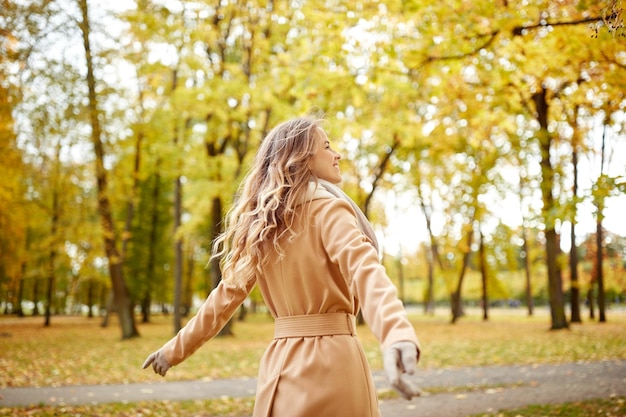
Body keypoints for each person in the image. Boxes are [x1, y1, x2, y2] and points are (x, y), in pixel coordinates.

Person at [143, 115, 421, 417]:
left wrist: (173, 351)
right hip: (333, 366)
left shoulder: (264, 226)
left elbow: (223, 298)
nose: (336, 154)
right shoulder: (329, 210)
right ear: (302, 158)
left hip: (279, 366)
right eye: (326, 146)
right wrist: (397, 333)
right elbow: (366, 272)